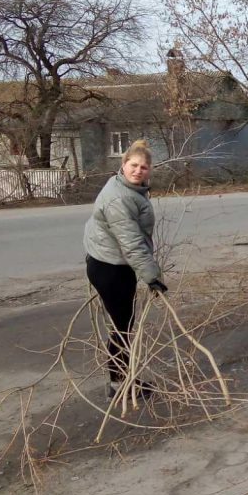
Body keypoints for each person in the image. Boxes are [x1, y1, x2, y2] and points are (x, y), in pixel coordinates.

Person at [83, 139, 168, 399]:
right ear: (123, 164)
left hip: (113, 262)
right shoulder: (119, 198)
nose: (138, 171)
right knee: (122, 328)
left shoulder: (129, 189)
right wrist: (152, 277)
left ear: (149, 170)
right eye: (133, 165)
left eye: (143, 167)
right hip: (109, 268)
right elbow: (131, 244)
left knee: (124, 324)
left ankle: (123, 379)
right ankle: (119, 385)